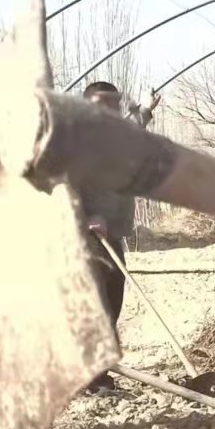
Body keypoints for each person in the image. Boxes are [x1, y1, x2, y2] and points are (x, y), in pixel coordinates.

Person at [78, 81, 156, 379]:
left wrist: (146, 109)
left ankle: (100, 369)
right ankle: (91, 375)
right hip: (86, 237)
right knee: (96, 304)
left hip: (113, 234)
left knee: (113, 298)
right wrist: (85, 217)